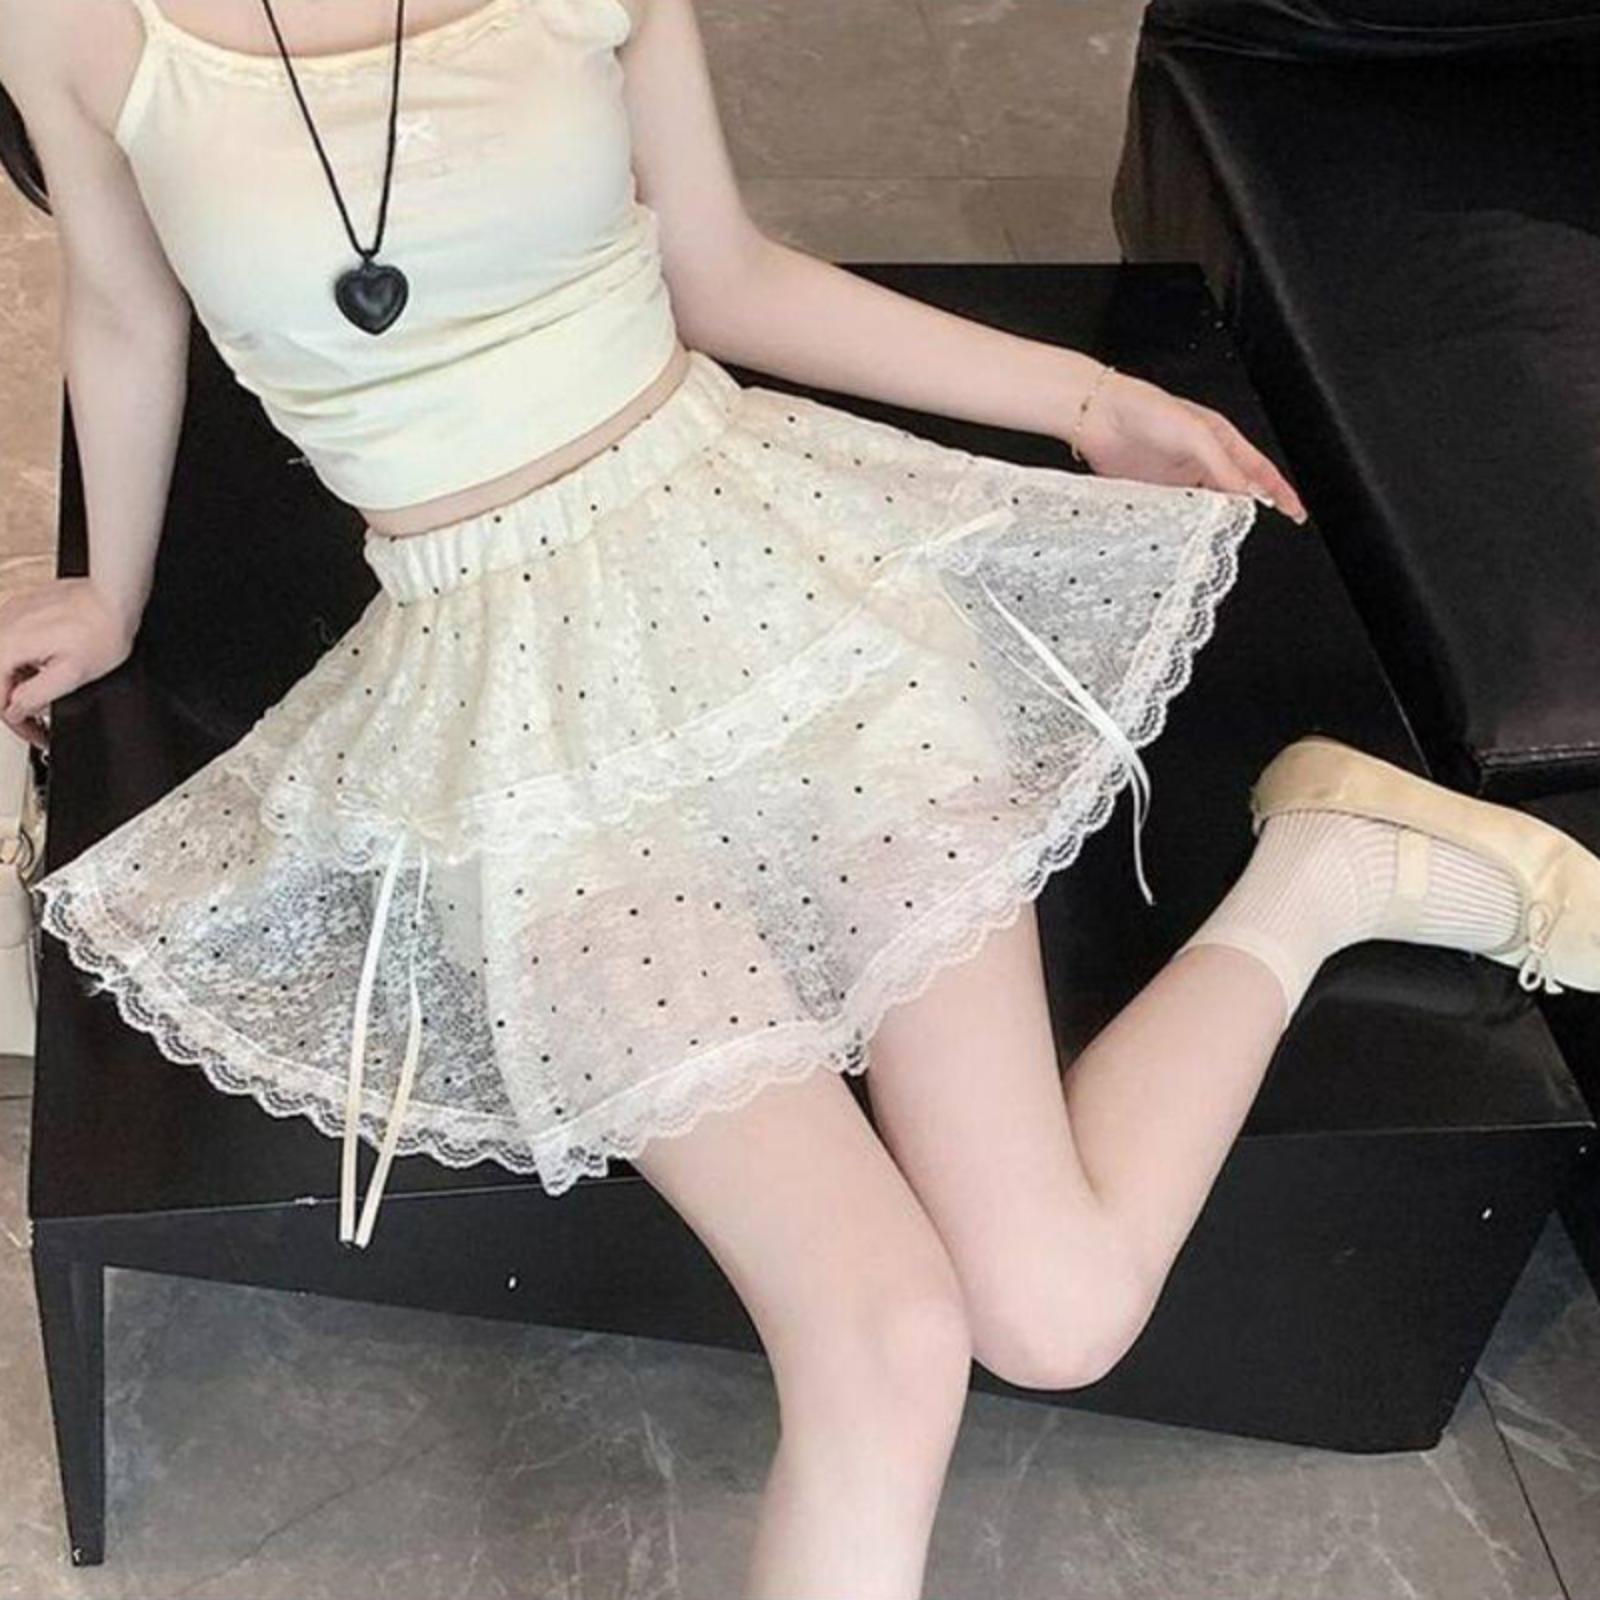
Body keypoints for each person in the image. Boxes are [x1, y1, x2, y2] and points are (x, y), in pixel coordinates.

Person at [1, 2, 1596, 1594]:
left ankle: (1319, 877)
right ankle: (1322, 865)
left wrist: (1087, 400)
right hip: (511, 713)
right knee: (880, 1334)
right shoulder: (72, 27)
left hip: (788, 601)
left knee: (1056, 1313)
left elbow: (727, 275)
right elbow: (127, 314)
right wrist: (109, 595)